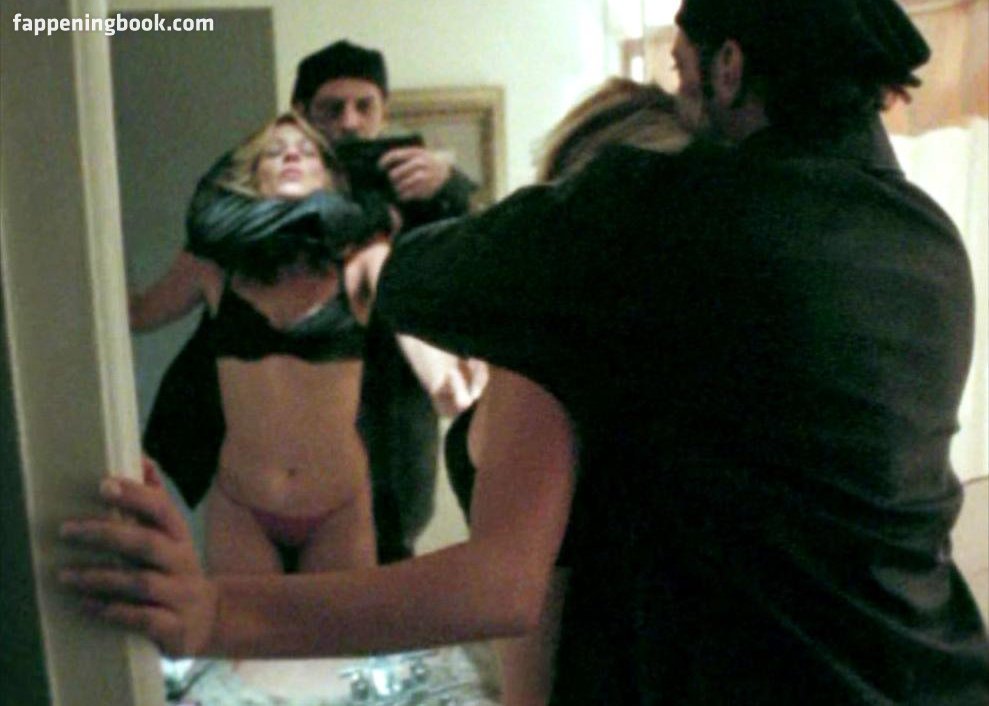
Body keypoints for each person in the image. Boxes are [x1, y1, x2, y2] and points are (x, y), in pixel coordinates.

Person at [60, 2, 989, 705]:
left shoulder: (650, 219)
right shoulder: (928, 243)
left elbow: (420, 284)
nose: (678, 95)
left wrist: (216, 611)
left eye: (680, 70)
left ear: (730, 64)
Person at [134, 111, 389, 574]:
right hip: (242, 506)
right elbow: (136, 315)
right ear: (253, 176)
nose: (291, 155)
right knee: (244, 624)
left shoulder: (359, 259)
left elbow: (416, 316)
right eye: (274, 152)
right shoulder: (213, 264)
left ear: (330, 177)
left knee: (341, 624)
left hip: (339, 506)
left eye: (306, 152)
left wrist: (452, 374)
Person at [291, 39, 484, 563]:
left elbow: (470, 262)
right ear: (302, 113)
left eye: (365, 105)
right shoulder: (280, 179)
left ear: (384, 109)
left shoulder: (415, 183)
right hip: (308, 403)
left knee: (397, 541)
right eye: (332, 108)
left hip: (400, 409)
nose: (351, 122)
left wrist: (449, 188)